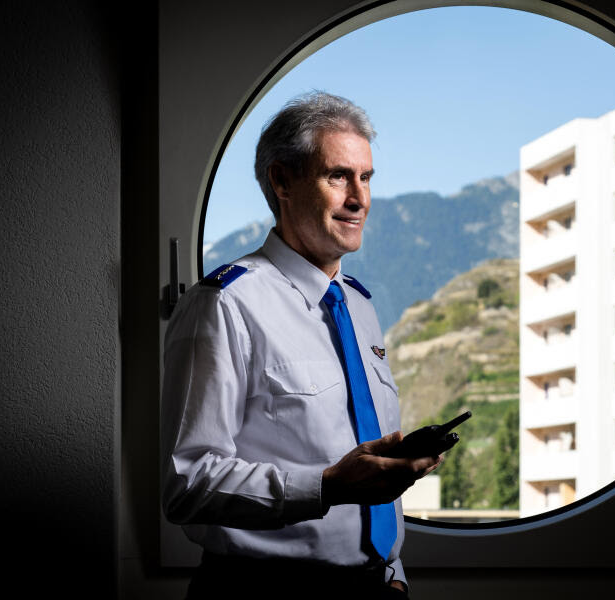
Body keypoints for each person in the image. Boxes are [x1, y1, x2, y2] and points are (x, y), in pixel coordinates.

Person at [161, 91, 441, 599]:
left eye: (367, 177)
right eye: (338, 176)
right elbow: (188, 485)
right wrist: (329, 486)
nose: (360, 198)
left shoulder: (359, 307)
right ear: (282, 180)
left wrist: (392, 574)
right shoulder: (225, 305)